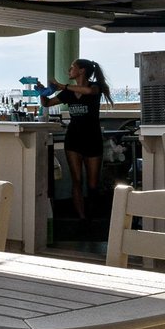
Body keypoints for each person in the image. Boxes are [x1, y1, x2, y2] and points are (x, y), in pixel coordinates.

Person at [33, 58, 111, 219]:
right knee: (76, 180)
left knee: (93, 184)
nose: (69, 70)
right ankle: (82, 219)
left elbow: (88, 92)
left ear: (82, 71)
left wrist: (62, 86)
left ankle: (94, 217)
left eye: (72, 67)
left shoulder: (95, 86)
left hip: (92, 139)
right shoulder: (68, 93)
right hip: (73, 139)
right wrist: (41, 92)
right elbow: (47, 103)